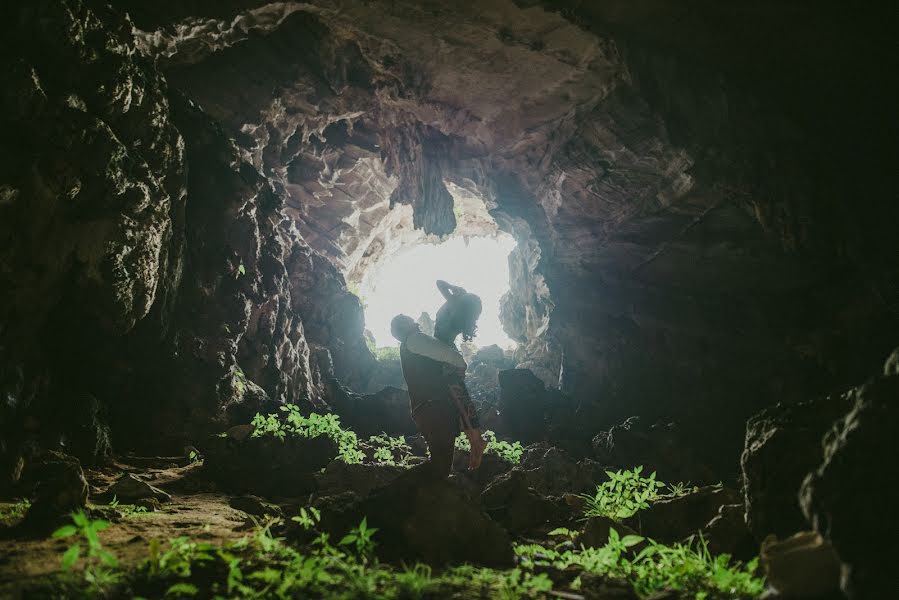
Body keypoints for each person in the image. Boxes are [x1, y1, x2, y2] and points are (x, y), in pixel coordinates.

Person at [432, 280, 488, 468]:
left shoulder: (455, 303)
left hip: (443, 353)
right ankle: (475, 440)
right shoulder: (460, 312)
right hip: (448, 352)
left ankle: (476, 441)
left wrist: (456, 289)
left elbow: (439, 282)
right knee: (460, 398)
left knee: (457, 397)